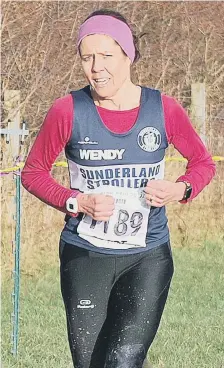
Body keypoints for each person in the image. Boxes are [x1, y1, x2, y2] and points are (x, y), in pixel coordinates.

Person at [21, 9, 216, 368]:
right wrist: (76, 201)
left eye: (106, 55)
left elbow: (204, 164)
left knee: (125, 359)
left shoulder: (164, 109)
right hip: (86, 255)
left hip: (148, 255)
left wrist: (180, 189)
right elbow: (33, 173)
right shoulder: (67, 110)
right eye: (87, 57)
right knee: (91, 363)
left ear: (129, 56)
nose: (96, 67)